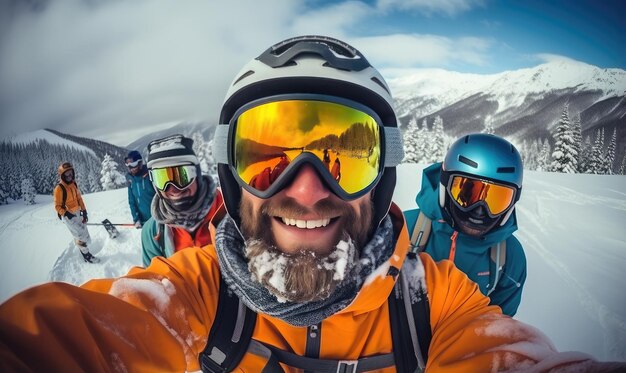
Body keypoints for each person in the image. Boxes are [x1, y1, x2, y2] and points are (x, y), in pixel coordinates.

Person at [0, 36, 615, 372]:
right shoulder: (192, 296)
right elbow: (74, 337)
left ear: (382, 180)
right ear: (230, 175)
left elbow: (499, 354)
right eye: (267, 157)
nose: (307, 188)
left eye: (344, 157)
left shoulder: (436, 302)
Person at [404, 134, 527, 317]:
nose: (479, 211)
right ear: (445, 185)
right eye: (466, 194)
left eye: (496, 200)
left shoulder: (509, 257)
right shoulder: (404, 229)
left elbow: (498, 329)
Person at [140, 134, 219, 267]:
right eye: (162, 179)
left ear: (197, 174)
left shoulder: (228, 209)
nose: (173, 189)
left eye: (182, 176)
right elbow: (155, 280)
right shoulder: (153, 232)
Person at [52, 162, 98, 263]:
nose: (69, 176)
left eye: (71, 173)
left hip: (77, 211)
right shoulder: (59, 189)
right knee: (79, 235)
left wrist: (84, 211)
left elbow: (79, 198)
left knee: (84, 231)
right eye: (66, 174)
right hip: (68, 215)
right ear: (62, 176)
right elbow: (57, 206)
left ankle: (84, 249)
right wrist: (66, 213)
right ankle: (87, 256)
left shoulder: (73, 184)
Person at [124, 150, 156, 229]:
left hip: (158, 218)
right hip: (145, 222)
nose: (132, 168)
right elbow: (132, 202)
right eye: (129, 165)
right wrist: (136, 219)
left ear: (140, 163)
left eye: (133, 164)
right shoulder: (131, 181)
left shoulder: (150, 175)